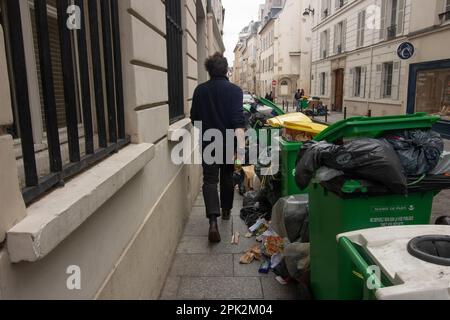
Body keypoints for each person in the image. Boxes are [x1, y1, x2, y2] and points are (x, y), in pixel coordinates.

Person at [190, 53, 246, 243]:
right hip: (228, 142)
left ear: (209, 70)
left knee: (210, 180)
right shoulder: (235, 91)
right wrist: (241, 147)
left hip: (208, 142)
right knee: (227, 177)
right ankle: (226, 210)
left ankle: (212, 221)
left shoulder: (200, 91)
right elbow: (238, 120)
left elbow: (194, 118)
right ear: (225, 69)